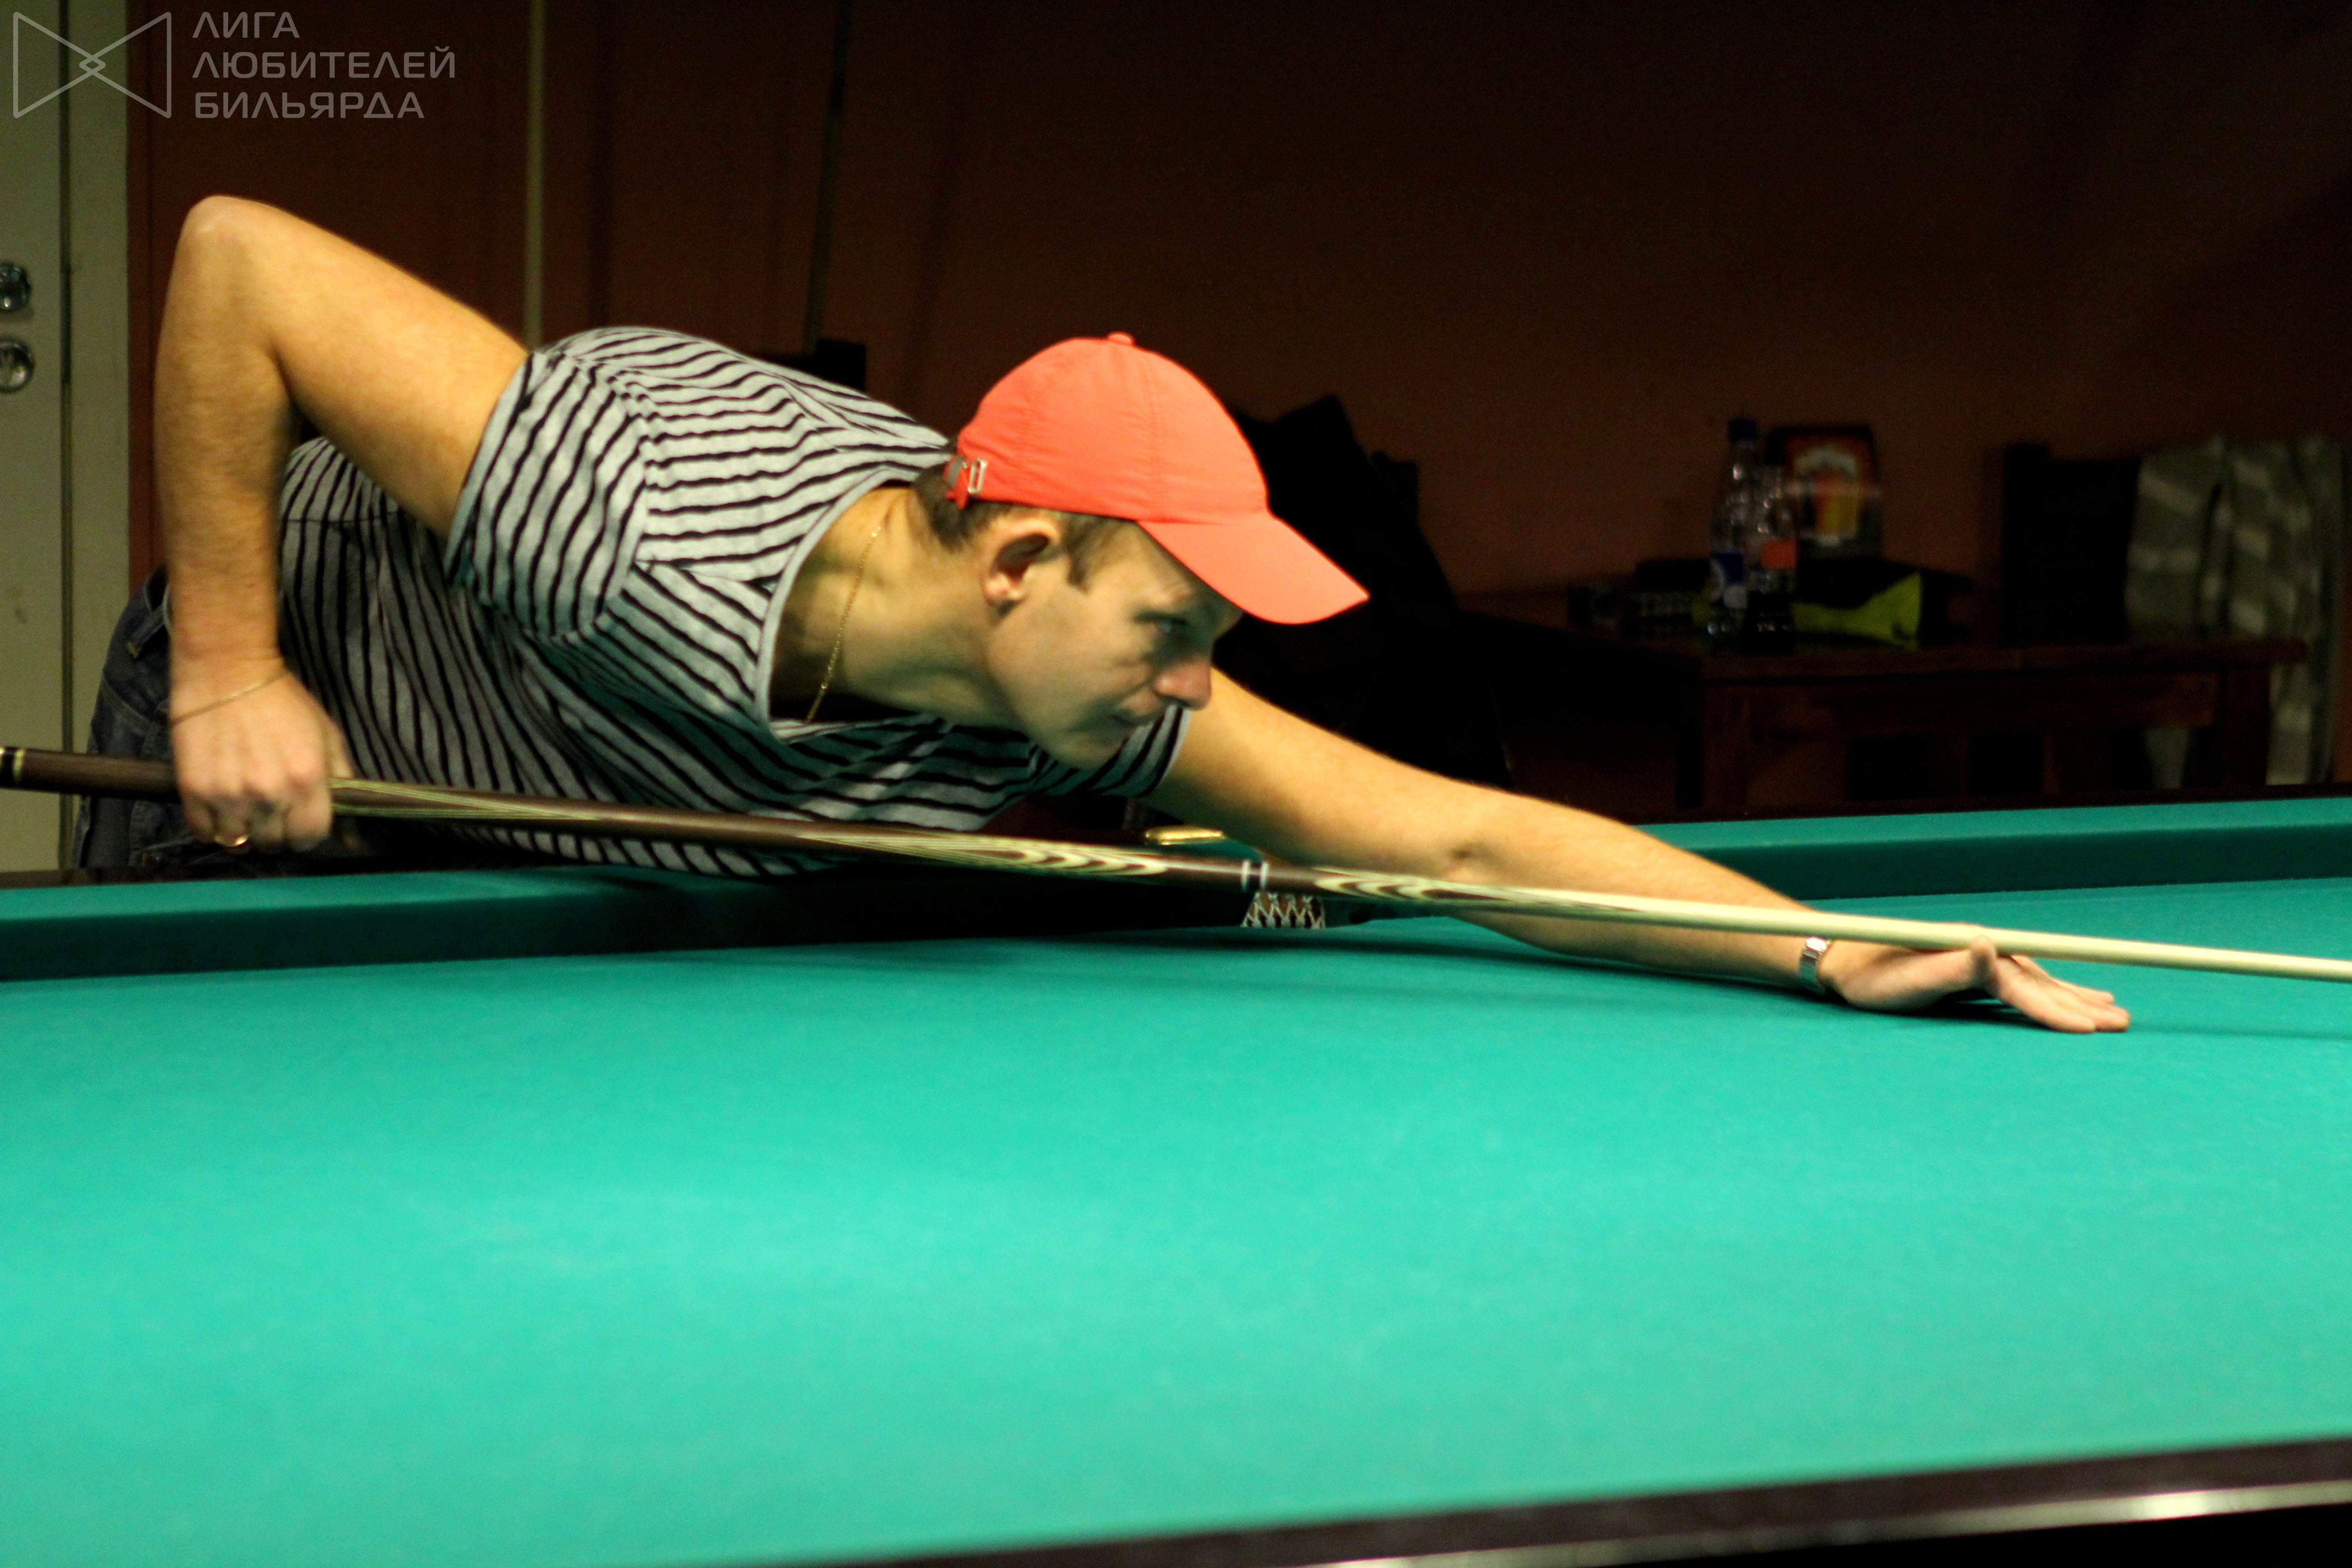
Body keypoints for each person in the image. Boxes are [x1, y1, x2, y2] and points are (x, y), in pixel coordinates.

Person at [89, 196, 2128, 1034]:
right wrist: (236, 664)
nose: (1193, 685)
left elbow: (1454, 836)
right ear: (1017, 565)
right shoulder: (628, 514)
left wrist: (1819, 945)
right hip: (297, 725)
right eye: (1171, 626)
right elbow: (241, 259)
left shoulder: (1070, 668)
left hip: (556, 789)